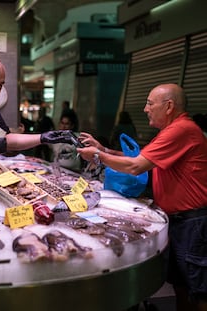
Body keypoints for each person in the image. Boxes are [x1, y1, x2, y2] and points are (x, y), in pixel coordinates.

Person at [77, 83, 207, 311]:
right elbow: (142, 158)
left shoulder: (182, 129)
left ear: (168, 106)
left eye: (149, 103)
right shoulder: (170, 131)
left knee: (199, 289)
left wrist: (98, 156)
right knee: (182, 286)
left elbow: (136, 166)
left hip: (193, 222)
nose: (145, 109)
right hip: (180, 220)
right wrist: (104, 150)